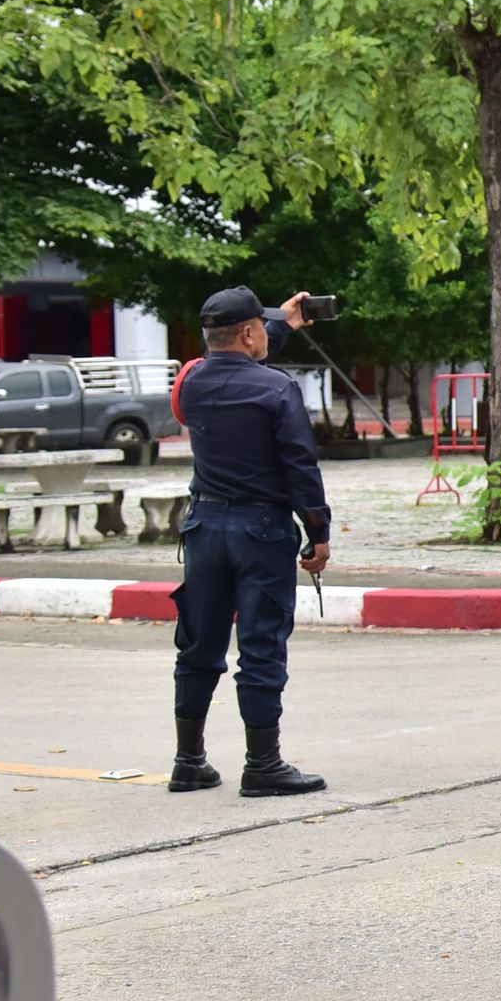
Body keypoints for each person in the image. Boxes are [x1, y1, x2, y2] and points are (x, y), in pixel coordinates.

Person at [168, 287, 332, 797]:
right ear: (246, 332)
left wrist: (281, 325)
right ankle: (262, 764)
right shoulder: (277, 390)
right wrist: (318, 531)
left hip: (203, 529)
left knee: (198, 645)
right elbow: (300, 467)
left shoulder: (190, 381)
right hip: (261, 531)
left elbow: (235, 365)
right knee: (261, 646)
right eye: (259, 326)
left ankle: (188, 762)